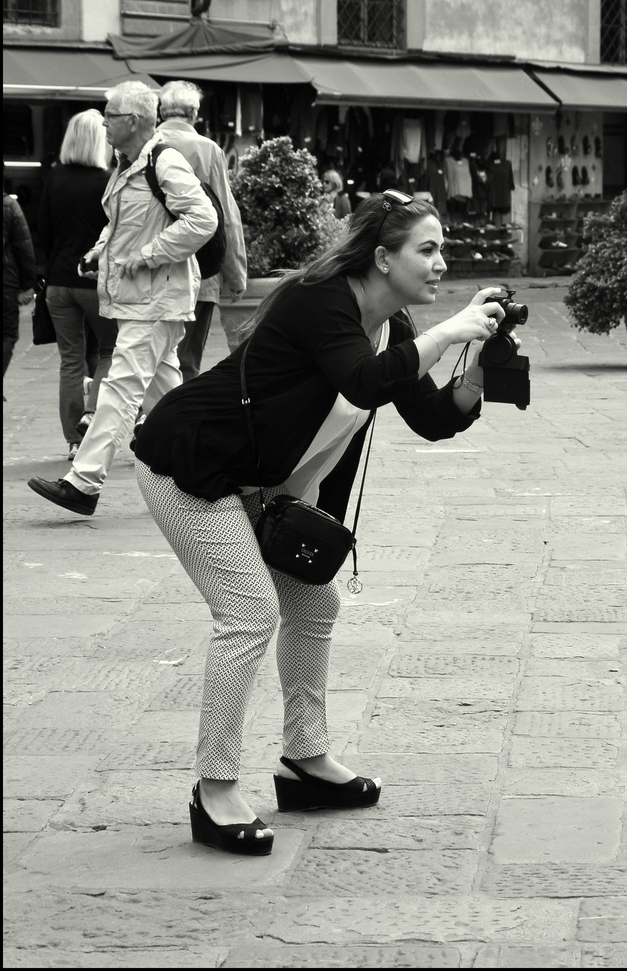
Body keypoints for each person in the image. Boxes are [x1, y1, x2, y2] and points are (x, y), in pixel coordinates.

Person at [131, 191, 508, 856]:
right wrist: (448, 330)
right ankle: (214, 790)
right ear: (384, 257)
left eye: (442, 248)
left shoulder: (387, 328)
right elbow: (361, 382)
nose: (441, 263)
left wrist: (480, 367)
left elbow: (433, 417)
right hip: (190, 462)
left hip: (257, 483)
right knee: (248, 614)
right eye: (427, 249)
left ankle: (304, 762)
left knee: (313, 602)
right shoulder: (321, 301)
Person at [27, 80, 217, 517]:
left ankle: (84, 482)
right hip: (143, 299)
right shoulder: (127, 163)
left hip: (157, 299)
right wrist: (100, 251)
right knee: (167, 396)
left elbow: (202, 220)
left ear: (132, 120)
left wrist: (149, 256)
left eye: (110, 114)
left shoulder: (164, 162)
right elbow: (122, 224)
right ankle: (213, 467)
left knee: (119, 390)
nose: (104, 120)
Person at [36, 111, 117, 459]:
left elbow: (45, 231)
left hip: (58, 282)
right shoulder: (108, 181)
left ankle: (73, 441)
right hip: (93, 279)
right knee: (109, 351)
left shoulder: (54, 177)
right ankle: (91, 414)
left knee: (70, 359)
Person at [158, 81, 247, 384]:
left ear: (161, 111)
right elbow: (226, 216)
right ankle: (174, 424)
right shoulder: (208, 150)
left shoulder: (144, 146)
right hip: (200, 270)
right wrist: (235, 275)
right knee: (186, 363)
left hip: (150, 267)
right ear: (195, 113)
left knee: (146, 359)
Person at [3, 191, 36, 383]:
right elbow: (23, 246)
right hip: (5, 282)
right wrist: (28, 285)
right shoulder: (8, 205)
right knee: (7, 334)